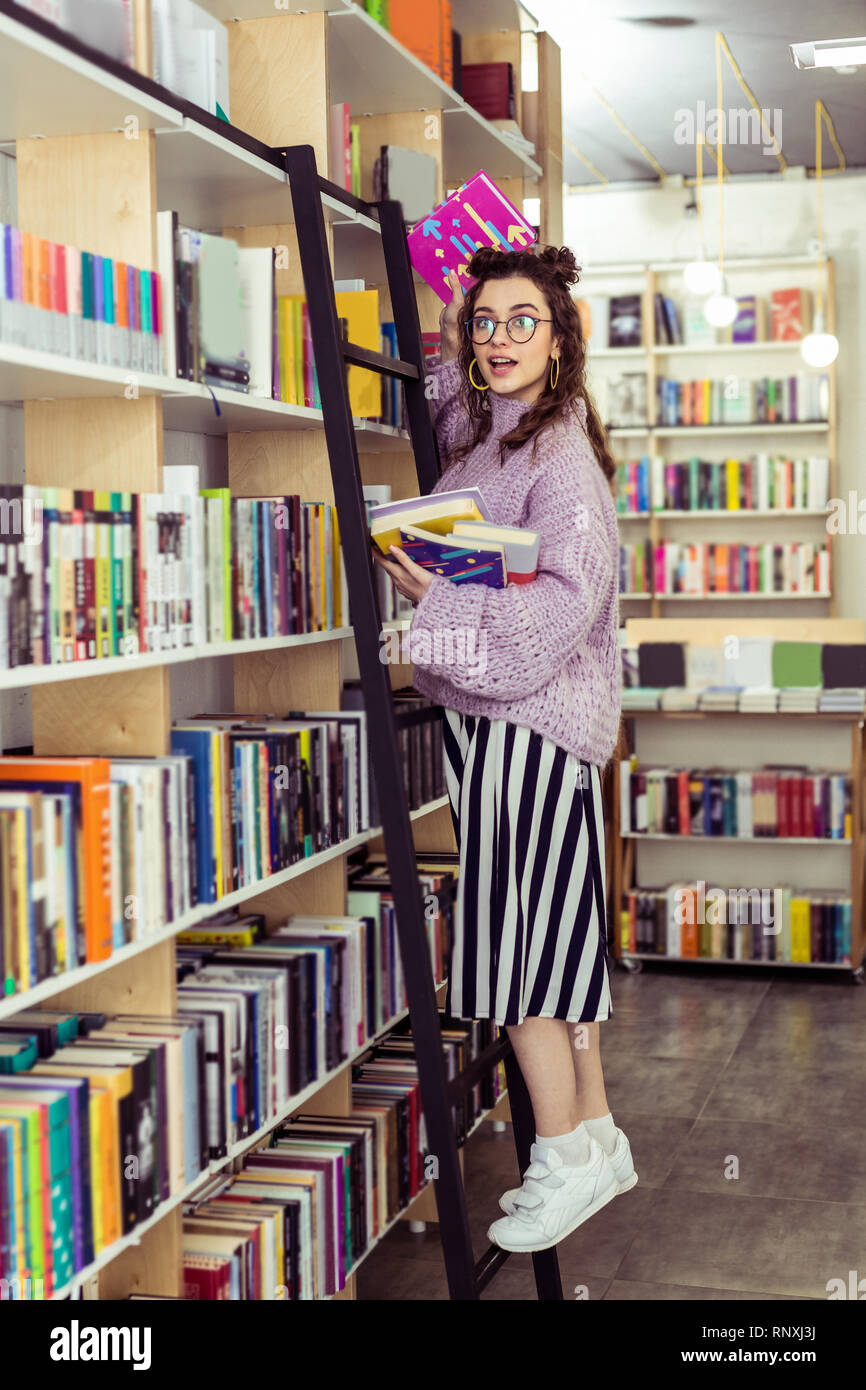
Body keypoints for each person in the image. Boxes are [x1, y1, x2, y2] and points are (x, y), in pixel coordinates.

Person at [372, 245, 636, 1255]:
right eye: (485, 324)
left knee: (518, 954)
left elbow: (554, 619)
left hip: (526, 727)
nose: (497, 340)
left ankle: (561, 1152)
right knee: (557, 948)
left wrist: (429, 595)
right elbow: (443, 387)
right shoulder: (490, 433)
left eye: (523, 321)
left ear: (562, 338)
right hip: (500, 730)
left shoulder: (557, 458)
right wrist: (452, 286)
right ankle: (598, 1134)